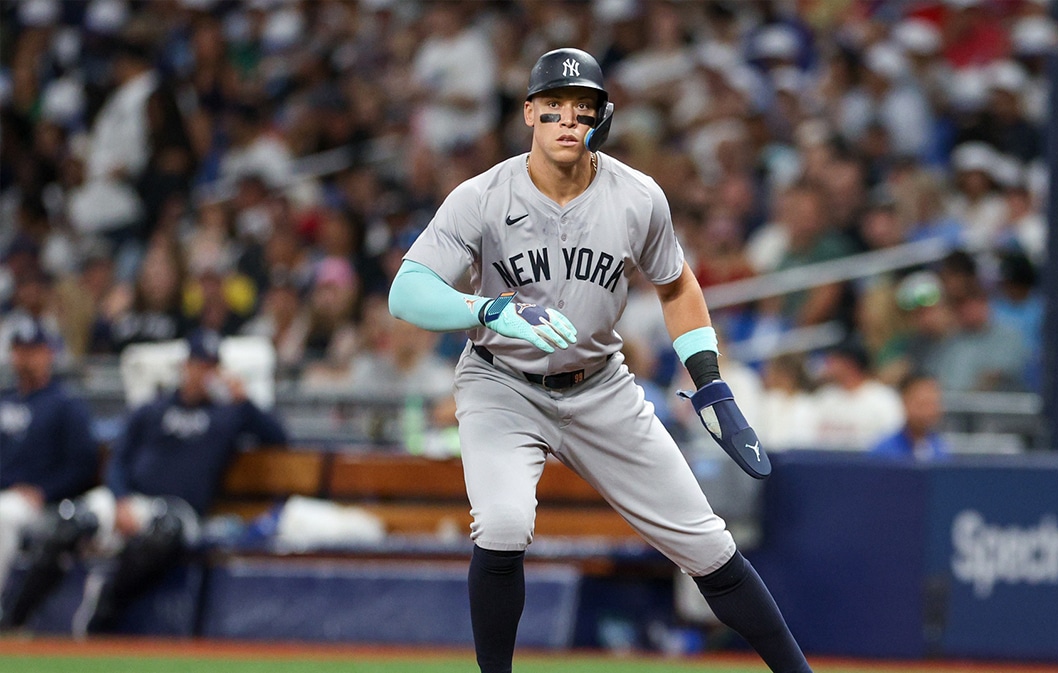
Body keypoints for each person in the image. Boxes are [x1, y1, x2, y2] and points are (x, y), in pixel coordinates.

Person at [389, 48, 814, 673]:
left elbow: (676, 286)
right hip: (501, 383)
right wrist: (489, 311)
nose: (566, 120)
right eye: (553, 107)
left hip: (600, 386)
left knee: (706, 543)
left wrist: (710, 382)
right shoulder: (481, 196)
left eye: (581, 108)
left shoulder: (637, 196)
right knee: (504, 525)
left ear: (601, 118)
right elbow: (408, 291)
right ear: (529, 112)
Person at [0, 330, 288, 635]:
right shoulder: (153, 409)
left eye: (210, 367)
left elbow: (279, 439)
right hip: (128, 500)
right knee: (67, 523)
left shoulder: (230, 413)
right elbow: (119, 460)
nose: (202, 373)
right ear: (184, 366)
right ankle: (15, 621)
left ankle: (101, 615)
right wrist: (121, 499)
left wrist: (245, 400)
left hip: (178, 509)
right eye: (197, 364)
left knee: (160, 536)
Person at [0, 318, 99, 618]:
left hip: (41, 505)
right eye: (20, 350)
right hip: (7, 495)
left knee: (3, 514)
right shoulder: (4, 399)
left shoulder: (65, 404)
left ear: (48, 354)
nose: (26, 358)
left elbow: (84, 465)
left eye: (33, 350)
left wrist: (45, 491)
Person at [870, 374, 950, 460]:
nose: (926, 412)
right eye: (921, 404)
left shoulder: (941, 449)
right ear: (904, 401)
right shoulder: (883, 451)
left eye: (932, 403)